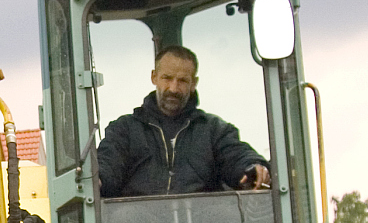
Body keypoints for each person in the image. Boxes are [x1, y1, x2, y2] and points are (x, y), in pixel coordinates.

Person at [96, 45, 270, 198]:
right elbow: (108, 163)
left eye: (182, 81)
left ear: (194, 83)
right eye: (167, 78)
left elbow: (236, 155)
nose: (173, 88)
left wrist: (254, 167)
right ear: (154, 77)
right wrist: (98, 177)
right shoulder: (124, 130)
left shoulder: (213, 130)